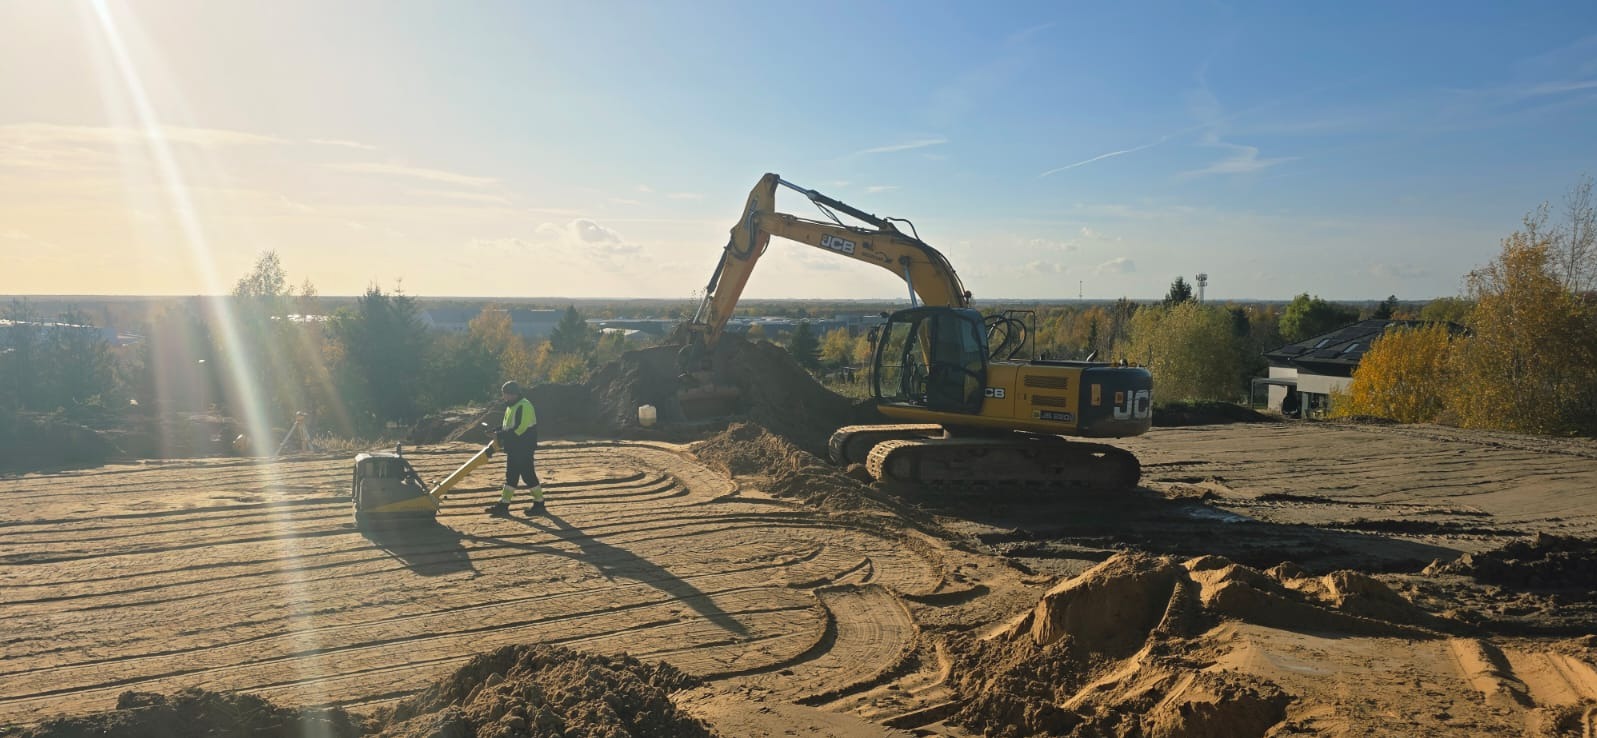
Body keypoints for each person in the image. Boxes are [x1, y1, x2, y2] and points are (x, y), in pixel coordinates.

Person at [486, 380, 543, 516]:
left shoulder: (524, 406)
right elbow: (509, 427)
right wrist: (496, 431)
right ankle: (504, 504)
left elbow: (519, 429)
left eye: (505, 394)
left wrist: (499, 434)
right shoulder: (512, 405)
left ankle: (539, 504)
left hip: (523, 447)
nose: (504, 397)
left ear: (513, 394)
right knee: (511, 476)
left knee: (528, 475)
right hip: (515, 447)